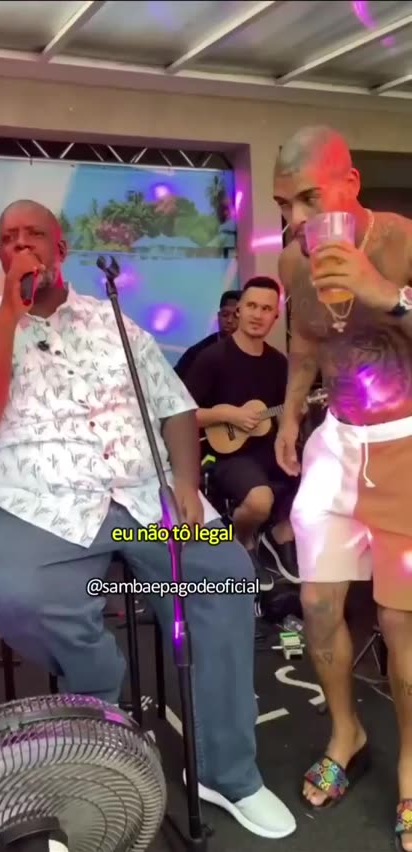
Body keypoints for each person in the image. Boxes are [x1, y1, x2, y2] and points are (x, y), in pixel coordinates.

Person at [0, 199, 296, 840]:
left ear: (61, 249)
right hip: (30, 505)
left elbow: (174, 406)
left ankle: (225, 771)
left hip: (137, 503)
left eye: (35, 235)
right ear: (0, 253)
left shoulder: (116, 323)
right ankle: (99, 687)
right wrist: (10, 313)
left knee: (224, 575)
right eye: (9, 237)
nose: (22, 245)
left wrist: (185, 482)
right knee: (18, 596)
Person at [273, 125, 412, 850]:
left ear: (350, 185)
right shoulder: (292, 260)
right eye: (283, 205)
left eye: (308, 198)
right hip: (337, 444)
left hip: (406, 447)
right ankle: (346, 732)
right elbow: (304, 342)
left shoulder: (402, 240)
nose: (296, 219)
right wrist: (291, 415)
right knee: (318, 602)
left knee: (400, 622)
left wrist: (385, 294)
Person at [184, 277, 299, 586]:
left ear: (276, 317)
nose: (258, 315)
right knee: (259, 500)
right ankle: (243, 543)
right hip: (225, 456)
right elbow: (183, 416)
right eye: (252, 306)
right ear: (238, 311)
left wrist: (293, 420)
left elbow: (282, 412)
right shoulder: (212, 358)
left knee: (316, 480)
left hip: (268, 451)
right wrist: (227, 413)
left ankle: (279, 535)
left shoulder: (278, 363)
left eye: (266, 309)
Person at [174, 289, 239, 381]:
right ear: (218, 316)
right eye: (225, 315)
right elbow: (174, 382)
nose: (229, 320)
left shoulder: (252, 351)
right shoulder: (198, 352)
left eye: (236, 316)